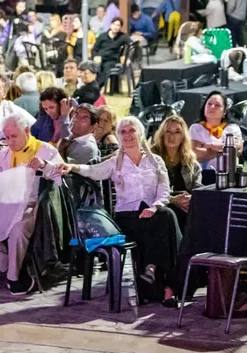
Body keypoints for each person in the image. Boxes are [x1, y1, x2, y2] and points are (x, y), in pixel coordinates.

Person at [56, 117, 181, 305]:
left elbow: (164, 191)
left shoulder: (155, 161)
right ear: (119, 137)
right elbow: (92, 171)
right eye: (123, 132)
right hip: (128, 217)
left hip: (153, 213)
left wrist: (155, 206)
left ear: (140, 133)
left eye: (131, 130)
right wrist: (72, 166)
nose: (128, 135)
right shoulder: (115, 162)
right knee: (168, 220)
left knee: (164, 218)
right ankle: (168, 286)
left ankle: (155, 274)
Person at [0, 110, 64, 294]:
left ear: (28, 131)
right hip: (6, 203)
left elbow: (61, 176)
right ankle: (11, 267)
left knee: (17, 230)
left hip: (32, 205)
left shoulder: (45, 150)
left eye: (14, 136)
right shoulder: (2, 155)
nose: (10, 141)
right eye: (6, 137)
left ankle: (14, 278)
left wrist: (45, 165)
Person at [151, 115, 202, 233]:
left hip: (187, 207)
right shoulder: (151, 159)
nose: (171, 136)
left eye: (177, 132)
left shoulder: (190, 162)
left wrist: (191, 199)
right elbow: (148, 192)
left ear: (183, 136)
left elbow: (199, 189)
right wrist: (173, 200)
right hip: (161, 208)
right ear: (162, 134)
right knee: (173, 212)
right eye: (168, 131)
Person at [188, 92, 244, 171]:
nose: (212, 107)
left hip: (229, 173)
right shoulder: (196, 128)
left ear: (224, 111)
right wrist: (225, 149)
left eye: (217, 105)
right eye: (209, 104)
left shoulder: (232, 128)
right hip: (204, 174)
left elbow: (238, 150)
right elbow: (195, 153)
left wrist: (210, 147)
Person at [92, 18, 129, 86]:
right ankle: (93, 85)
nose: (115, 27)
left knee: (106, 66)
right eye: (114, 24)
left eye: (118, 25)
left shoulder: (123, 37)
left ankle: (97, 86)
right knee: (94, 66)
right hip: (100, 58)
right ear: (111, 25)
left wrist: (126, 57)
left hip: (112, 60)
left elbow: (131, 45)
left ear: (120, 27)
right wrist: (95, 57)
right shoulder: (102, 36)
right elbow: (95, 49)